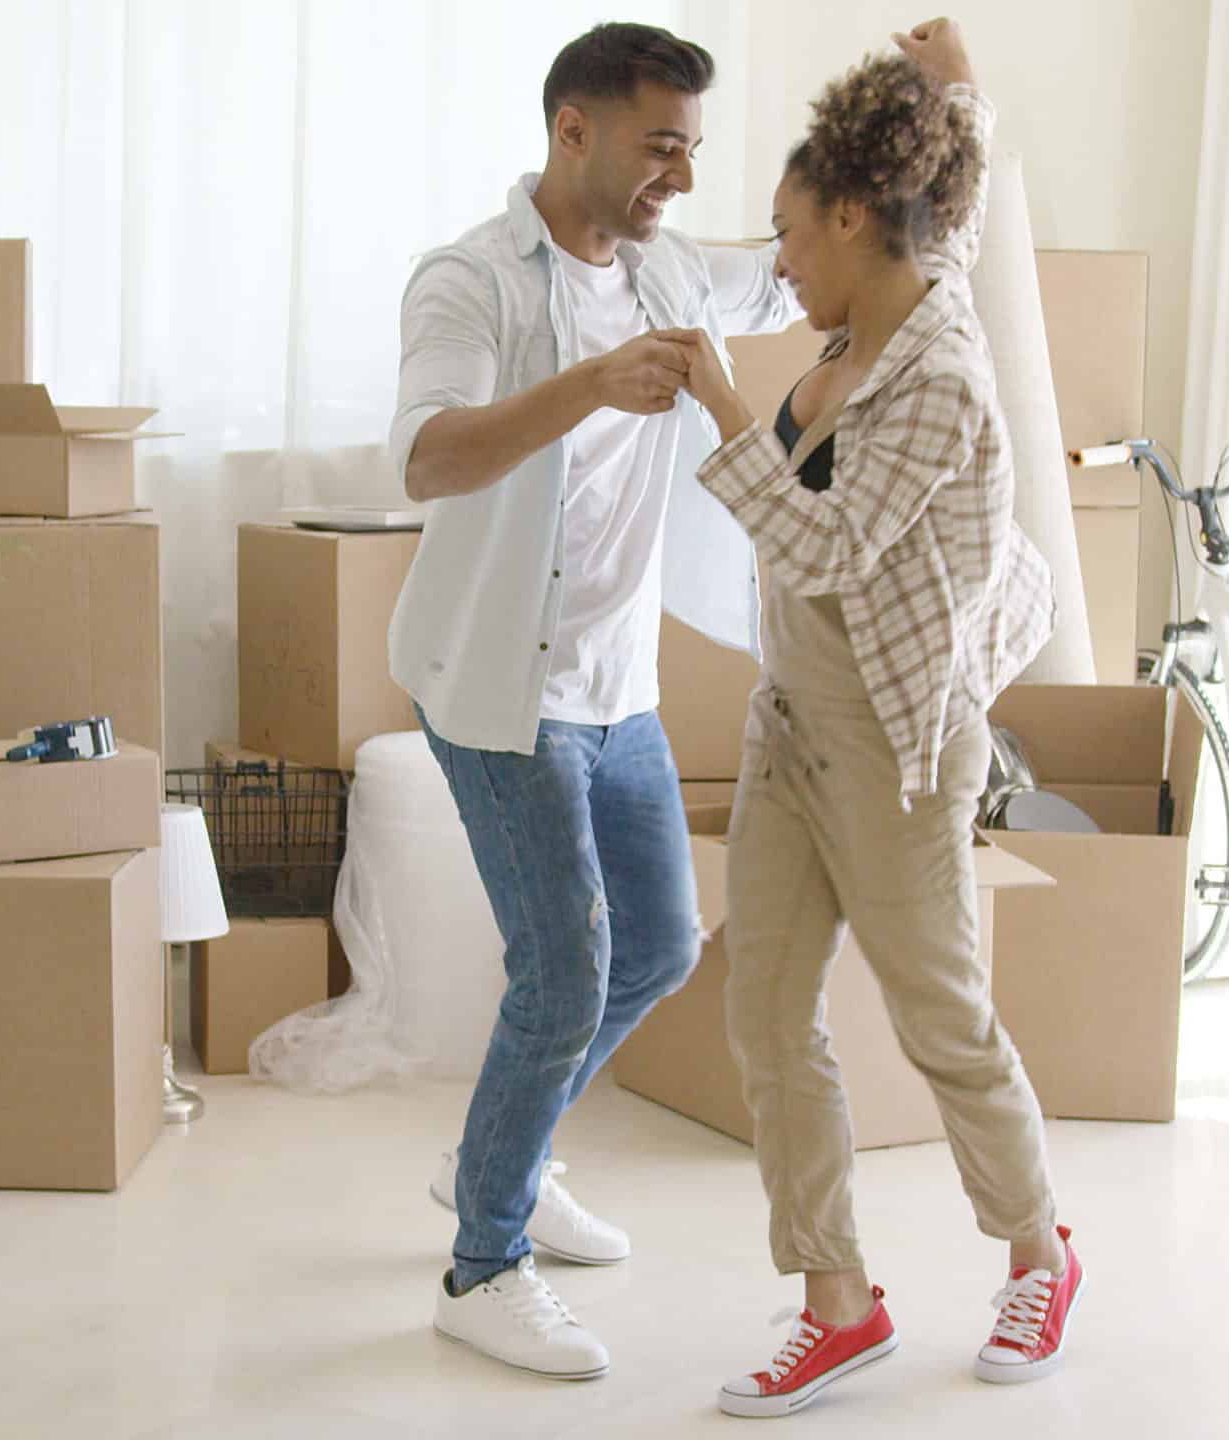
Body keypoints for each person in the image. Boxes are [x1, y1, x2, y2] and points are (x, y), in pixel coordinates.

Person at [663, 20, 1085, 1418]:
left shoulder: (941, 376)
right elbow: (952, 188)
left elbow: (829, 549)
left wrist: (725, 402)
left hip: (903, 747)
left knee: (938, 1012)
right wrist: (955, 82)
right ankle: (836, 1300)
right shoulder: (892, 290)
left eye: (790, 232)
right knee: (768, 1012)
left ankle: (1040, 1251)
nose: (778, 262)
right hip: (794, 725)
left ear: (854, 219)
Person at [384, 21, 799, 1380]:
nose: (679, 174)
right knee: (561, 972)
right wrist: (584, 388)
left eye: (692, 146)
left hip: (619, 687)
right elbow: (429, 462)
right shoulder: (469, 280)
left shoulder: (670, 263)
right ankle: (482, 1264)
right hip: (503, 687)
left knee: (661, 947)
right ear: (574, 131)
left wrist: (928, 119)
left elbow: (793, 266)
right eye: (658, 144)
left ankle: (498, 1161)